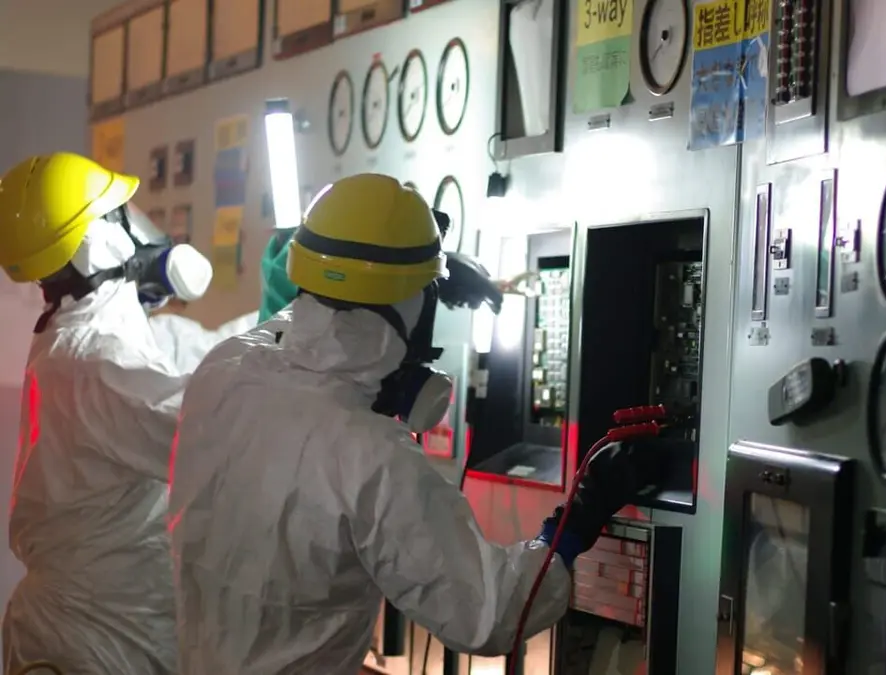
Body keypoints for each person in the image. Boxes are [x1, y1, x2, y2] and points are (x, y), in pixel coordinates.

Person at [168, 174, 666, 674]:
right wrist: (578, 519)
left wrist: (416, 275)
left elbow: (304, 330)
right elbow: (488, 613)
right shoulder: (371, 456)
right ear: (415, 307)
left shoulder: (222, 368)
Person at [0, 152, 217, 673]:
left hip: (84, 626)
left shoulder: (76, 340)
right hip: (104, 638)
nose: (144, 228)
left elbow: (200, 362)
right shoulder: (97, 361)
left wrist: (277, 321)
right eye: (126, 214)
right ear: (101, 242)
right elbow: (212, 431)